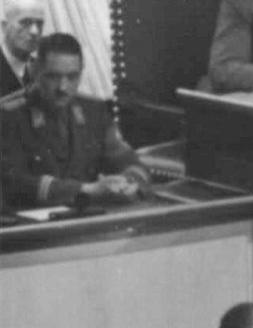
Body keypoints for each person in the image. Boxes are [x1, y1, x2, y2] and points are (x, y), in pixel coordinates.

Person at [0, 33, 149, 210]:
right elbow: (13, 182)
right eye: (53, 77)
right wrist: (86, 190)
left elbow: (128, 160)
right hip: (27, 220)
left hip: (87, 217)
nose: (63, 87)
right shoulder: (9, 116)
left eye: (72, 77)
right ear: (35, 71)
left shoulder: (94, 112)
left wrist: (129, 182)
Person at [0, 0, 43, 98]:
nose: (34, 31)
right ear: (5, 27)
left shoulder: (44, 69)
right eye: (25, 22)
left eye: (39, 24)